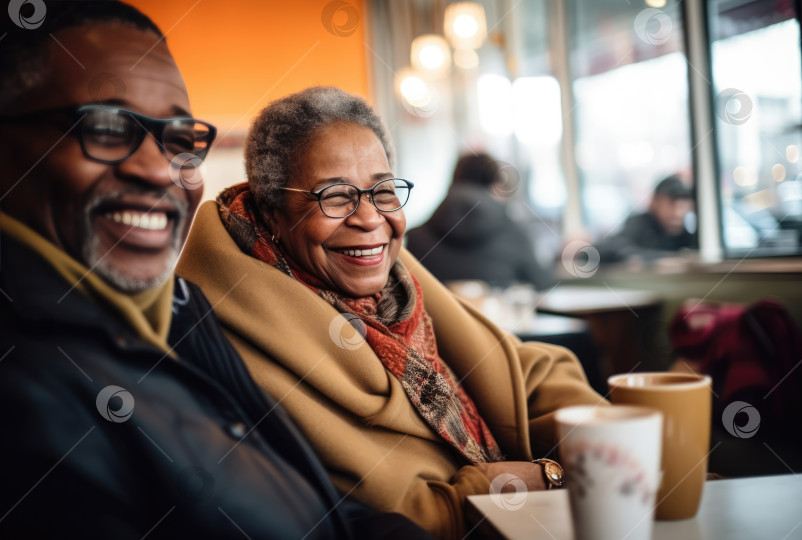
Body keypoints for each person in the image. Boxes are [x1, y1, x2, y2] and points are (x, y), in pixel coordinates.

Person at [0, 4, 429, 539]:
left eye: (179, 140)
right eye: (107, 128)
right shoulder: (27, 381)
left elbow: (318, 509)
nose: (159, 167)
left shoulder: (177, 309)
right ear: (271, 213)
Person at [176, 86, 605, 539]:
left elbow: (519, 370)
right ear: (272, 210)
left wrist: (603, 442)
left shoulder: (388, 272)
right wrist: (512, 484)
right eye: (336, 196)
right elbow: (365, 516)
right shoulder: (223, 326)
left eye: (383, 190)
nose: (370, 218)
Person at [406, 153, 555, 290]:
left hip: (434, 319)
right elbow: (542, 282)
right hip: (498, 318)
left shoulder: (414, 238)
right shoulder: (514, 232)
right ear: (494, 184)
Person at [597, 175, 697, 262]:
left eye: (683, 206)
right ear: (655, 202)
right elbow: (609, 249)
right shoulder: (638, 224)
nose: (677, 214)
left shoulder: (687, 236)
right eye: (670, 205)